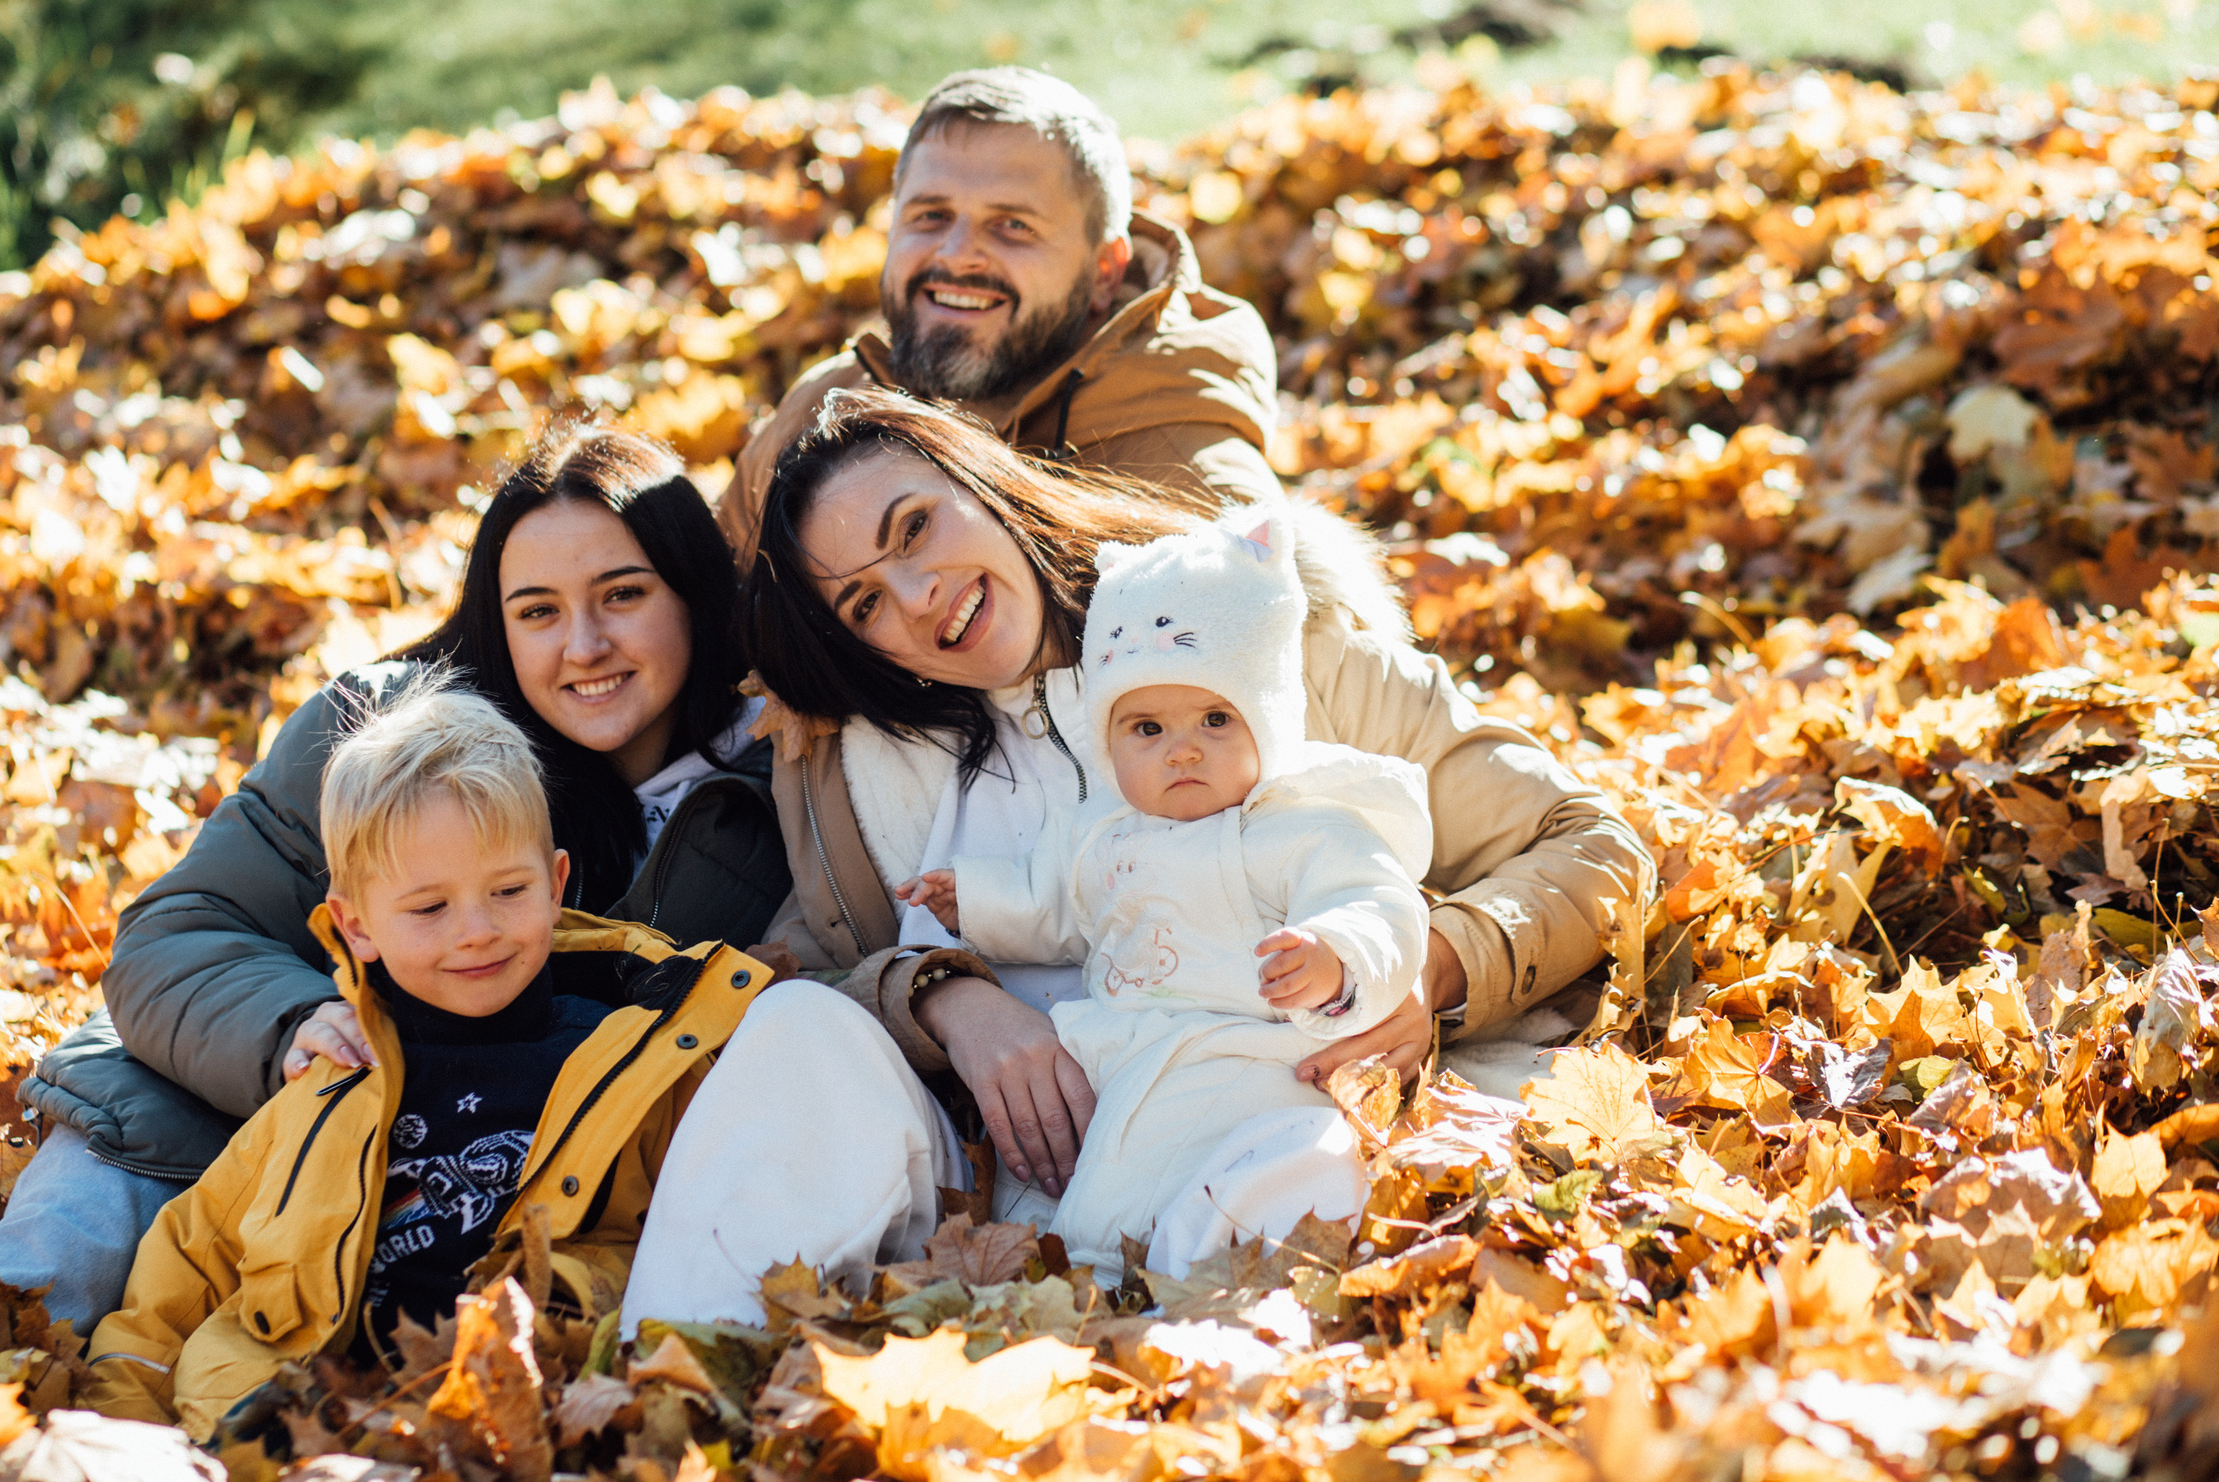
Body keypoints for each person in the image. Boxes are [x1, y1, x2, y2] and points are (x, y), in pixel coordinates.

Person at [615, 391, 1654, 1326]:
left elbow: (1590, 844)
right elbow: (813, 966)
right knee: (794, 1027)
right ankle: (672, 1389)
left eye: (917, 527)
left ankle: (1189, 1389)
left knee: (1292, 1187)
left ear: (988, 483)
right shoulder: (864, 776)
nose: (921, 595)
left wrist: (1431, 966)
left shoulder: (1258, 647)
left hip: (1255, 1116)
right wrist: (939, 998)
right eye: (866, 603)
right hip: (996, 1196)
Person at [0, 426, 794, 1331]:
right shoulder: (386, 737)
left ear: (694, 590)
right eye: (538, 611)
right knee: (30, 1286)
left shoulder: (785, 764)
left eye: (624, 594)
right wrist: (293, 1024)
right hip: (239, 1117)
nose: (585, 644)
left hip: (530, 1190)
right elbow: (174, 936)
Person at [83, 678, 767, 1438]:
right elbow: (190, 1257)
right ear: (356, 924)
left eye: (508, 889)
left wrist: (570, 1294)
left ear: (555, 884)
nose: (475, 930)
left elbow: (670, 1239)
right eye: (430, 907)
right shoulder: (336, 1076)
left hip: (511, 1413)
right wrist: (127, 1417)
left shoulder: (624, 1059)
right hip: (288, 1420)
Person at [897, 508, 1436, 1277]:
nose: (1183, 748)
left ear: (1269, 721)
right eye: (1146, 728)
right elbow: (1050, 904)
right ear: (1110, 742)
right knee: (1115, 1188)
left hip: (1263, 1059)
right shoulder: (1103, 836)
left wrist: (1336, 957)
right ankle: (1123, 1279)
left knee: (1291, 1159)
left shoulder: (1301, 823)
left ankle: (1216, 1253)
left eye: (1216, 718)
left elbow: (1376, 900)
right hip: (1136, 1062)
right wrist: (975, 899)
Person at [716, 66, 1280, 555]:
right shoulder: (825, 410)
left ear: (1103, 271)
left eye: (1013, 226)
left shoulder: (1183, 481)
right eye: (931, 215)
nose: (957, 255)